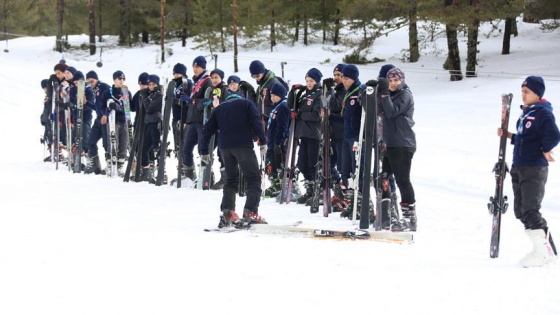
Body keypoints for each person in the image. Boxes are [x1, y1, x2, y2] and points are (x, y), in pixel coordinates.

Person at [498, 76, 559, 267]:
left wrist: (544, 148)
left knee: (530, 209)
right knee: (520, 210)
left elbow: (554, 135)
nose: (523, 95)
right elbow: (527, 138)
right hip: (520, 164)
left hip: (534, 167)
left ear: (537, 94)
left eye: (527, 92)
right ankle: (545, 249)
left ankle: (544, 254)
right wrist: (509, 136)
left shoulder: (542, 113)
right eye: (522, 91)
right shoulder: (527, 112)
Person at [200, 94, 268, 227]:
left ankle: (228, 212)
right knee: (253, 178)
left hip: (225, 148)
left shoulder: (219, 109)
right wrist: (262, 140)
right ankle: (250, 212)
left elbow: (207, 130)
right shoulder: (247, 104)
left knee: (230, 179)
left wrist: (204, 150)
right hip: (243, 145)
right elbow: (256, 121)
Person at [377, 68, 417, 232]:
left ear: (401, 80)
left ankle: (410, 218)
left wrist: (385, 94)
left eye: (396, 81)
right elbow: (379, 111)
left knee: (402, 180)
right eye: (390, 81)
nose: (393, 84)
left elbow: (391, 112)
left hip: (402, 143)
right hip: (389, 143)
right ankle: (387, 214)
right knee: (383, 178)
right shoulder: (389, 95)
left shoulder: (405, 95)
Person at [294, 68, 324, 205]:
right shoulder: (304, 95)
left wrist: (301, 115)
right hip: (303, 133)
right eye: (307, 81)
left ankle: (317, 190)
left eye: (311, 81)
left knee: (312, 163)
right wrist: (293, 94)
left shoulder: (319, 95)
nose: (309, 83)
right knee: (301, 164)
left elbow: (316, 115)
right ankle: (309, 189)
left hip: (313, 134)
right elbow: (292, 107)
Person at [182, 56, 213, 182]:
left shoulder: (208, 81)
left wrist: (192, 101)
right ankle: (190, 175)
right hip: (192, 120)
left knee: (203, 149)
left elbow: (208, 100)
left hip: (202, 120)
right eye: (194, 66)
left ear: (203, 68)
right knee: (186, 148)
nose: (195, 69)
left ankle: (207, 175)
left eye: (198, 67)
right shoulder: (195, 81)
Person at [96, 70, 132, 176]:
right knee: (112, 141)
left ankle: (120, 166)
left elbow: (129, 108)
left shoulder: (126, 91)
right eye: (119, 79)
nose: (122, 81)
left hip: (123, 121)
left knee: (123, 143)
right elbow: (101, 106)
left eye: (123, 79)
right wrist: (106, 113)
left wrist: (125, 104)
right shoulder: (108, 92)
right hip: (113, 121)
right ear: (114, 79)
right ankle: (110, 164)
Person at [323, 64, 346, 204]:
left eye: (339, 75)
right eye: (335, 74)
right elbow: (325, 104)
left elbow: (335, 106)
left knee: (343, 166)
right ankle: (339, 189)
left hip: (342, 133)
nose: (336, 78)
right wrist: (326, 90)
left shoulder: (344, 91)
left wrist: (330, 91)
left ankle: (345, 193)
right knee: (329, 163)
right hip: (333, 132)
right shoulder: (337, 90)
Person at [264, 83, 290, 197]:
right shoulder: (277, 106)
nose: (272, 97)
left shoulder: (283, 107)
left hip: (277, 142)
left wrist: (278, 143)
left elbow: (282, 127)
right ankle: (275, 183)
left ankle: (281, 184)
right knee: (271, 164)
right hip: (271, 141)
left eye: (275, 95)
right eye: (271, 95)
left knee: (278, 163)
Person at [206, 68, 230, 190]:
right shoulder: (211, 90)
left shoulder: (224, 89)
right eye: (212, 78)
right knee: (210, 148)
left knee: (222, 151)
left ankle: (226, 177)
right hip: (213, 123)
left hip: (222, 124)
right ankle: (208, 175)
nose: (214, 80)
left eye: (216, 77)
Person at [84, 70, 111, 175]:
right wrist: (87, 103)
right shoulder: (93, 90)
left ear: (96, 79)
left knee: (106, 144)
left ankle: (110, 164)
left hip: (106, 119)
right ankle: (95, 164)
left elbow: (110, 102)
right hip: (98, 119)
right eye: (88, 82)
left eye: (92, 81)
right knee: (91, 141)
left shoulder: (104, 87)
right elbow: (97, 107)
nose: (90, 84)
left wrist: (106, 114)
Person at [249, 60, 287, 131]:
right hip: (264, 122)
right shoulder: (261, 86)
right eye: (253, 76)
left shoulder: (273, 83)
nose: (256, 78)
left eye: (257, 75)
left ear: (262, 72)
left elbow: (280, 102)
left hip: (273, 121)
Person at [139, 75, 163, 182]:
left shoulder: (158, 95)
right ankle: (146, 170)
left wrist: (144, 98)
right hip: (148, 123)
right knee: (144, 148)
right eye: (149, 84)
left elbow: (149, 108)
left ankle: (159, 171)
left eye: (153, 84)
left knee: (156, 146)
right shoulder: (149, 94)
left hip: (155, 122)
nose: (151, 86)